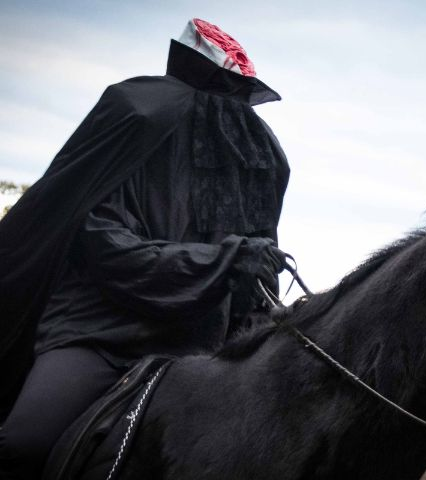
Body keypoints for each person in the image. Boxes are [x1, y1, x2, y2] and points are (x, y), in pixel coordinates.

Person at [0, 18, 290, 479]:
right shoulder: (134, 115)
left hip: (197, 348)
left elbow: (256, 268)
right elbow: (111, 250)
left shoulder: (257, 155)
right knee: (23, 442)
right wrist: (226, 260)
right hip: (100, 332)